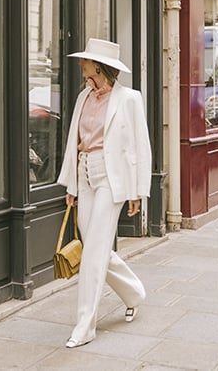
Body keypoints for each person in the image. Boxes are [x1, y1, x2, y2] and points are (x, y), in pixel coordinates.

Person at [57, 38, 152, 348]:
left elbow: (140, 146)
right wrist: (72, 185)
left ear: (98, 66)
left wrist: (138, 191)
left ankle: (85, 325)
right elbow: (74, 141)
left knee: (95, 252)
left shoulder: (129, 99)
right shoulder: (83, 96)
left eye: (85, 62)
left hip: (112, 180)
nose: (81, 65)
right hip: (85, 174)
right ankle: (134, 293)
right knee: (95, 247)